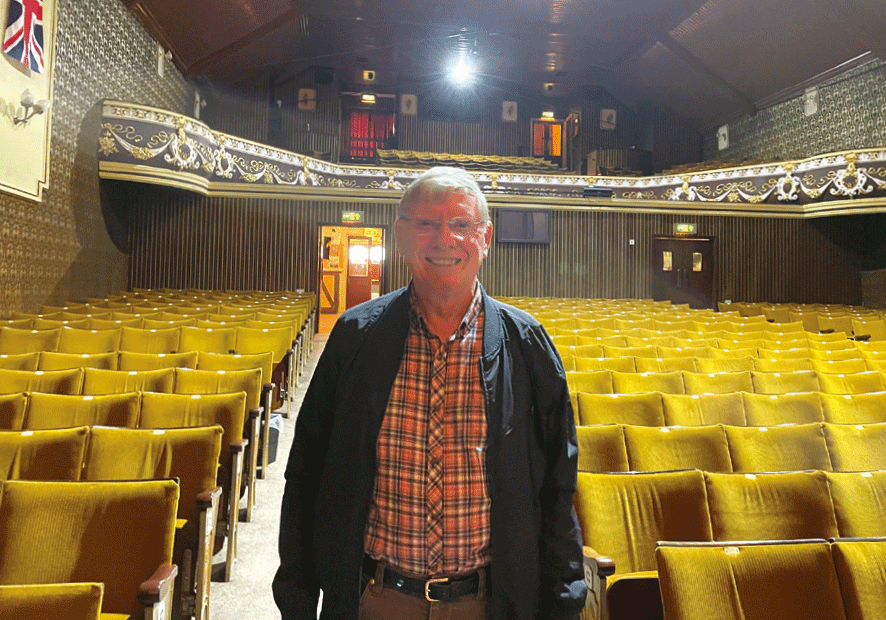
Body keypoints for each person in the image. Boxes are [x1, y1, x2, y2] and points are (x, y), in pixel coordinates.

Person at [273, 166, 586, 620]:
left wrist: (562, 606)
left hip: (488, 603)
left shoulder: (527, 344)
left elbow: (557, 491)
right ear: (401, 236)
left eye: (460, 224)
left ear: (486, 238)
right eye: (426, 224)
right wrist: (298, 601)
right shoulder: (355, 336)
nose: (444, 239)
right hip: (376, 599)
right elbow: (306, 474)